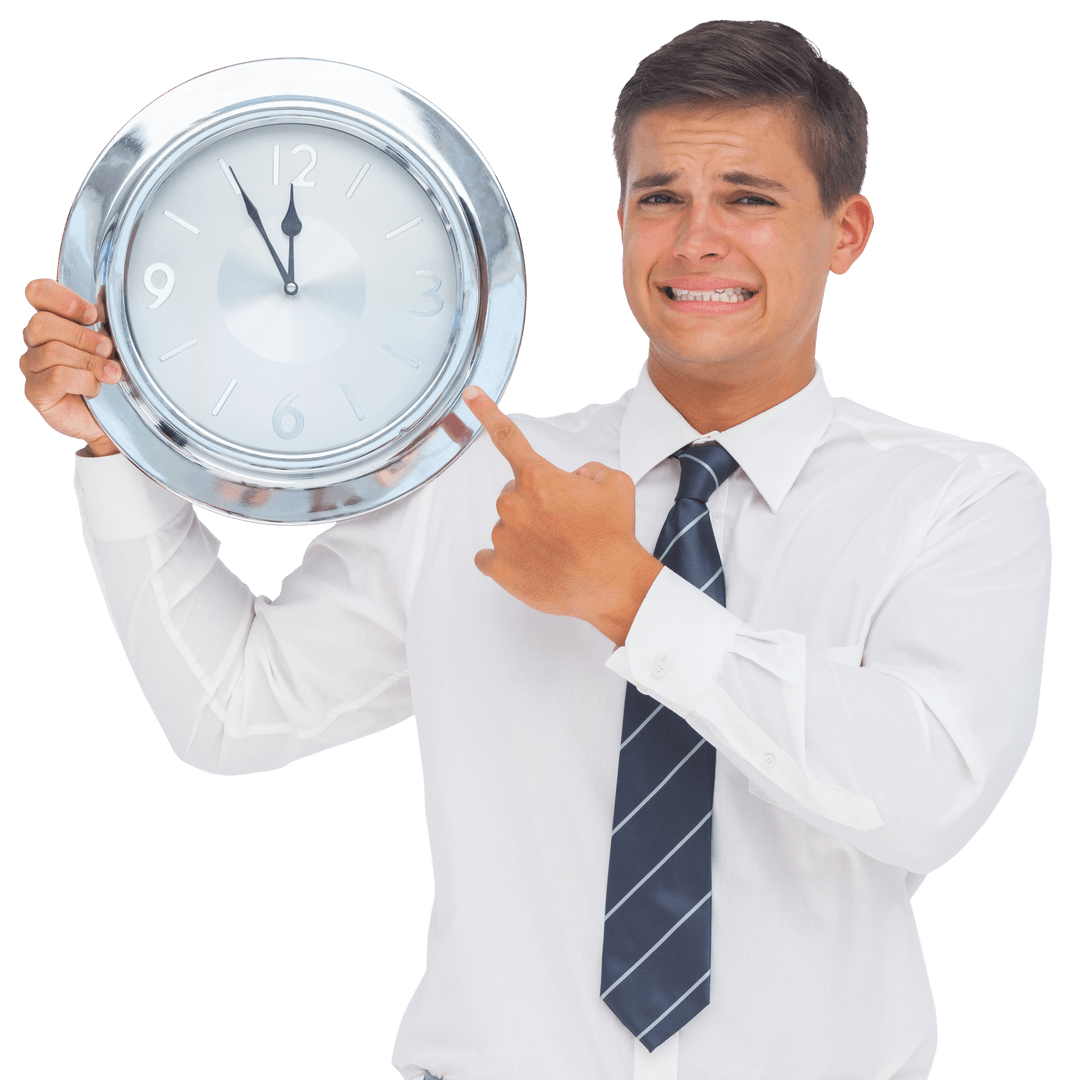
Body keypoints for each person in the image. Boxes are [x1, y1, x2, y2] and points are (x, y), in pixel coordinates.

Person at [18, 18, 1050, 1080]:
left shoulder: (959, 499)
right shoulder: (468, 480)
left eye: (749, 197)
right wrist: (116, 452)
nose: (697, 239)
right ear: (621, 222)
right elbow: (234, 712)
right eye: (661, 198)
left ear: (846, 230)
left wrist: (635, 601)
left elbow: (925, 798)